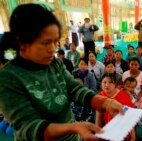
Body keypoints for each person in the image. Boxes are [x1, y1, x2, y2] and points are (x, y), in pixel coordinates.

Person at [0, 4, 124, 141]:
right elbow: (29, 128)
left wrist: (105, 102)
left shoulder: (54, 63)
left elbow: (75, 89)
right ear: (22, 42)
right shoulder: (8, 78)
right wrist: (72, 127)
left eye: (55, 42)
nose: (52, 49)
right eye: (46, 43)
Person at [96, 73, 135, 141]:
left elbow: (129, 118)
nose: (107, 85)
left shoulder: (123, 96)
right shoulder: (99, 97)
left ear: (116, 85)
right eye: (104, 82)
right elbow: (98, 118)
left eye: (110, 82)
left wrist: (133, 137)